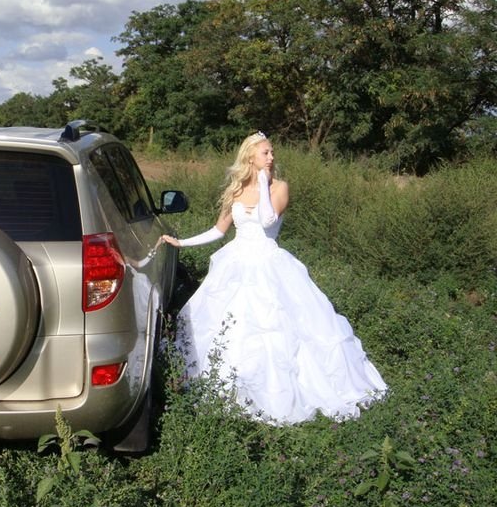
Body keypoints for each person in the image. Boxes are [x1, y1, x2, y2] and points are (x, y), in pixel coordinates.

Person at [161, 131, 387, 424]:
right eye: (265, 153)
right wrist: (182, 243)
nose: (271, 157)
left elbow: (268, 219)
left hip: (269, 263)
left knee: (277, 328)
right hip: (237, 262)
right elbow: (219, 231)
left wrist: (265, 182)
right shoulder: (237, 189)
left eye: (271, 152)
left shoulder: (280, 187)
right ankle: (223, 386)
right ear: (250, 157)